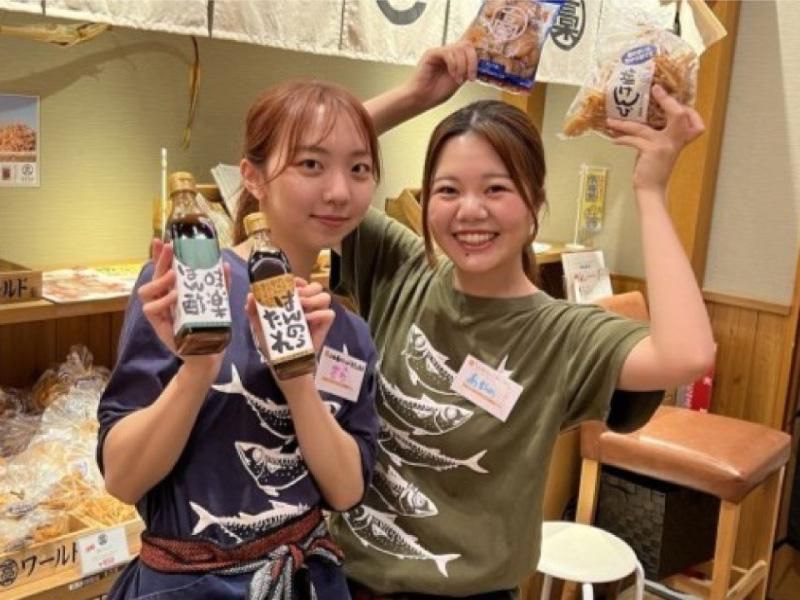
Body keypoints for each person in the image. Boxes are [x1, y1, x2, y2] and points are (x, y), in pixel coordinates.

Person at [328, 42, 716, 598]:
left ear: (535, 203)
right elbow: (294, 169)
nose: (470, 210)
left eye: (496, 189)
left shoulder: (562, 335)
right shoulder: (400, 266)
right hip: (346, 580)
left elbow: (688, 355)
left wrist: (650, 189)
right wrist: (413, 97)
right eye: (448, 190)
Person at [97, 80, 382, 599]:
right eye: (312, 164)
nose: (340, 191)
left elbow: (345, 491)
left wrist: (297, 379)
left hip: (304, 582)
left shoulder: (346, 330)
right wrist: (200, 366)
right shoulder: (188, 289)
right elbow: (123, 478)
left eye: (359, 168)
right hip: (190, 587)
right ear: (252, 176)